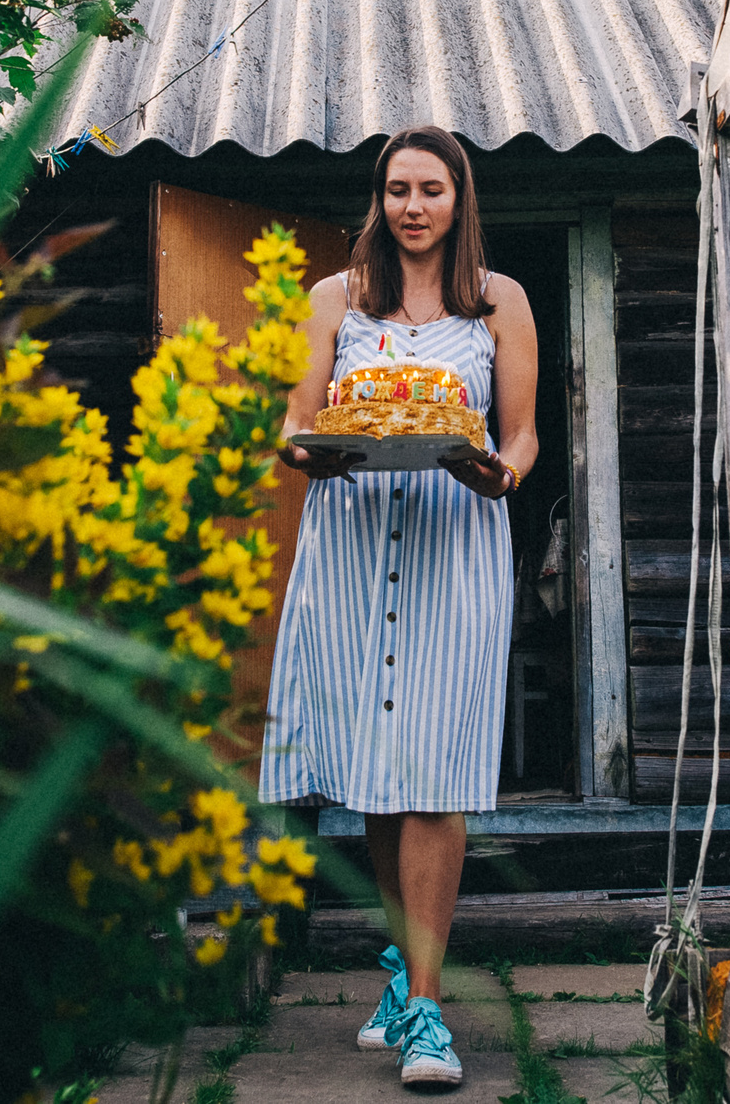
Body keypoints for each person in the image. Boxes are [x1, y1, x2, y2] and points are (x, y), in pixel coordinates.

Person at [265, 126, 538, 1091]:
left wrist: (497, 474)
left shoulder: (500, 301)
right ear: (378, 200)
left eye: (430, 189)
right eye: (396, 190)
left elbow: (521, 437)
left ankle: (426, 1009)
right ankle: (400, 971)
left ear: (460, 199)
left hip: (454, 545)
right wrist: (309, 451)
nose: (411, 207)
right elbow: (299, 423)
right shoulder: (333, 299)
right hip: (350, 543)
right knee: (380, 778)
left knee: (435, 774)